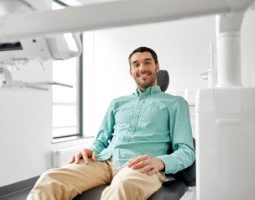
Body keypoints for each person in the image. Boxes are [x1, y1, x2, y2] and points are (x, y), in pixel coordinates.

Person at [27, 46, 195, 200]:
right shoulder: (117, 103)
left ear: (157, 67)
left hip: (140, 166)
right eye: (136, 64)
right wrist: (90, 150)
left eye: (147, 62)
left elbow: (186, 151)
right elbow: (100, 141)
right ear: (131, 71)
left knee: (121, 188)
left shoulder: (175, 103)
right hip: (103, 162)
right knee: (50, 179)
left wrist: (160, 162)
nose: (142, 68)